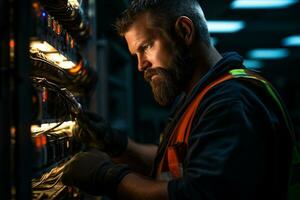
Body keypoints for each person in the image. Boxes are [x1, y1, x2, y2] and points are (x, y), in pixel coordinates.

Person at [61, 0, 296, 199]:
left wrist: (109, 177)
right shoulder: (200, 95)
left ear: (184, 30)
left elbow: (197, 193)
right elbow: (180, 165)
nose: (141, 65)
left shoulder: (229, 101)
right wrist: (115, 143)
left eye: (146, 47)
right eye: (136, 55)